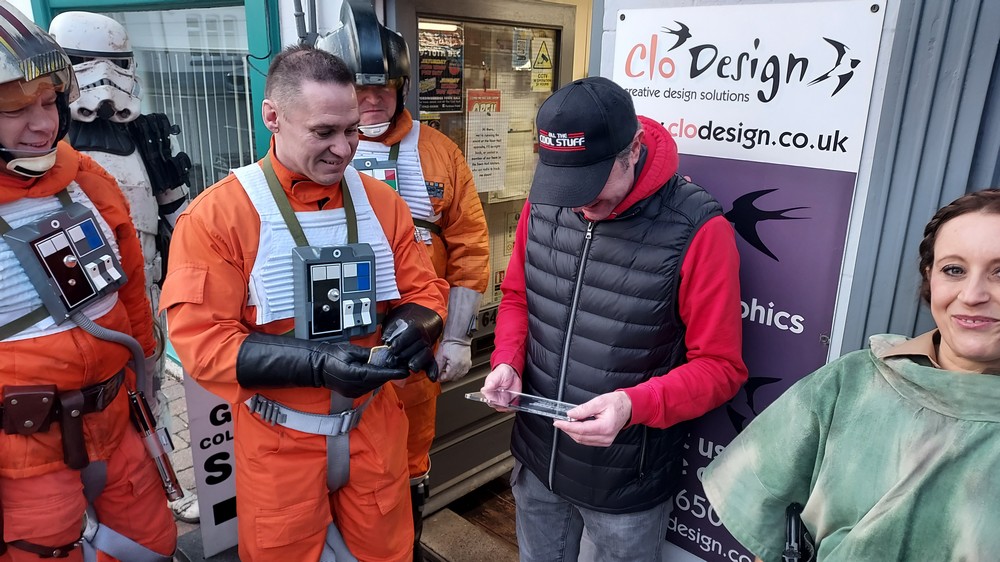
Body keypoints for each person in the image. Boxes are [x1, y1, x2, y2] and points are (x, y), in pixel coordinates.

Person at [160, 44, 448, 562]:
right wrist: (318, 365)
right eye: (323, 132)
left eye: (352, 130)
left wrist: (416, 325)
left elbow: (423, 289)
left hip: (374, 425)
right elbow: (202, 343)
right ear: (272, 117)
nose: (344, 148)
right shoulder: (219, 217)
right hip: (279, 438)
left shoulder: (382, 203)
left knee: (388, 553)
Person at [481, 76, 748, 562]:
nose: (581, 204)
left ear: (634, 149)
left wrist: (632, 405)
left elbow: (721, 368)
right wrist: (507, 360)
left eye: (592, 185)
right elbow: (519, 296)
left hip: (625, 484)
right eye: (567, 187)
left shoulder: (699, 229)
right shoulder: (546, 201)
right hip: (537, 459)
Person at [702, 188, 1000, 562]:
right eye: (954, 270)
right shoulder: (851, 382)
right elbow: (770, 533)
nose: (972, 294)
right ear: (930, 277)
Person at [0, 3, 176, 560]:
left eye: (48, 102)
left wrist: (146, 384)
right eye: (14, 109)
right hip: (23, 452)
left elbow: (131, 291)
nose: (43, 124)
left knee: (150, 544)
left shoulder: (85, 179)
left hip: (117, 417)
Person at [315, 2, 490, 555]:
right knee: (328, 461)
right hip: (333, 345)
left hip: (418, 341)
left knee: (411, 460)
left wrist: (457, 336)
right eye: (358, 88)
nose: (371, 100)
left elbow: (470, 246)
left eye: (383, 88)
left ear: (403, 88)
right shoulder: (313, 153)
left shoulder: (439, 153)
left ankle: (404, 543)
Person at [47, 10, 199, 524]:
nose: (106, 78)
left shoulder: (145, 136)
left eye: (117, 63)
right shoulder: (43, 142)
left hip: (144, 284)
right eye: (89, 62)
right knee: (81, 403)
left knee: (149, 387)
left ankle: (164, 484)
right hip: (71, 298)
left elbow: (178, 209)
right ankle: (84, 505)